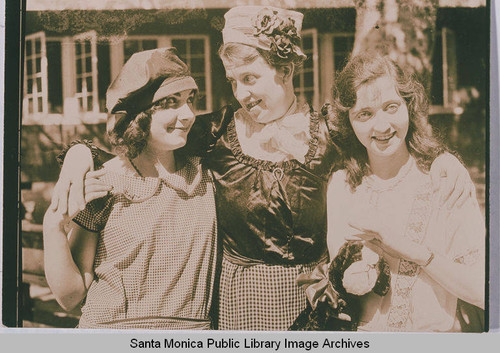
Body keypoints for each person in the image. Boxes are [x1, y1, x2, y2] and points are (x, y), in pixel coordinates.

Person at [50, 6, 474, 331]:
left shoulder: (330, 130)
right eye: (233, 81)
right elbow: (146, 138)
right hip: (235, 304)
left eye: (250, 78)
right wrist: (80, 153)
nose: (241, 93)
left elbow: (385, 138)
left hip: (314, 303)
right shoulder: (214, 133)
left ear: (286, 69)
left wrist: (440, 161)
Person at [43, 48, 218, 330]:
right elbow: (70, 296)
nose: (187, 114)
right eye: (171, 102)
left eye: (189, 100)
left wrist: (80, 150)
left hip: (191, 336)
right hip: (113, 336)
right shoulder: (103, 184)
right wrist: (52, 227)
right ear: (139, 114)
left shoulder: (205, 174)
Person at [326, 53, 485, 332]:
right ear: (348, 121)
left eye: (391, 107)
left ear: (409, 106)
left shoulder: (445, 180)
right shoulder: (343, 186)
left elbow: (484, 291)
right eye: (364, 114)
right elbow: (342, 286)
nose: (382, 126)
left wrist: (414, 251)